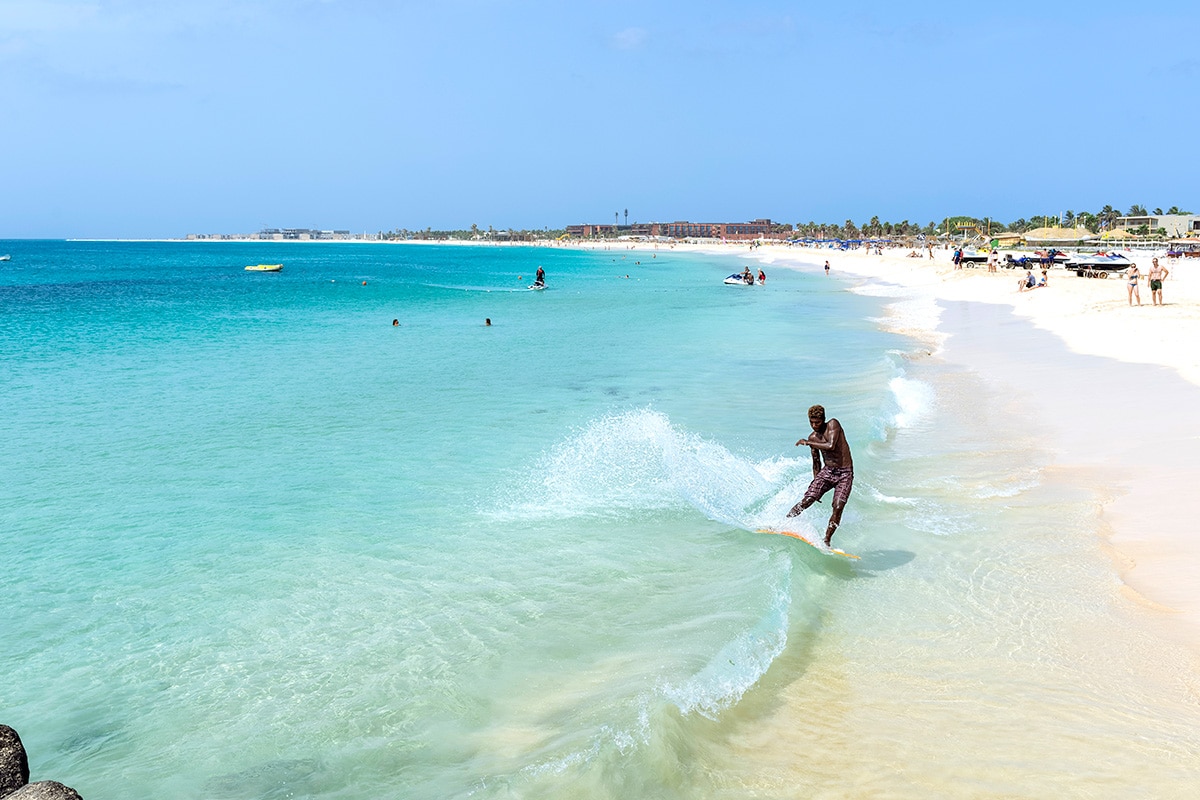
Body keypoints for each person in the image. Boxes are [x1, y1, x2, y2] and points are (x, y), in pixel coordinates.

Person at [787, 404, 854, 547]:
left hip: (845, 473)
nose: (814, 425)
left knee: (838, 506)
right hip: (827, 471)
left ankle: (827, 540)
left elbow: (831, 445)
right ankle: (785, 522)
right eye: (811, 422)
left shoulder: (833, 424)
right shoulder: (812, 438)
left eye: (817, 422)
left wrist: (807, 442)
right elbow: (816, 462)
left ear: (823, 419)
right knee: (807, 500)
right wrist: (817, 485)